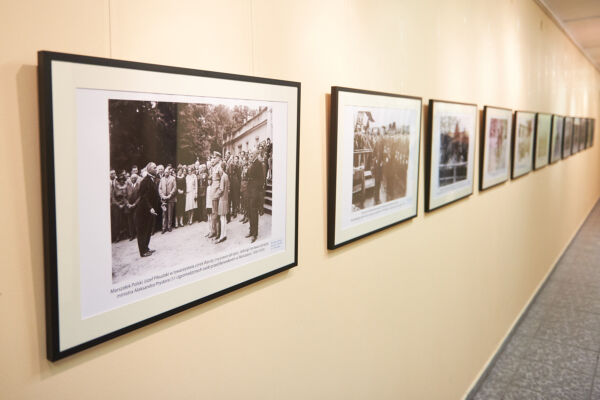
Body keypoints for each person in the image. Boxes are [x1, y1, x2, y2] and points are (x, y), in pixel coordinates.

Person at [135, 162, 160, 257]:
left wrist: (160, 203)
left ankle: (146, 248)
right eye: (154, 168)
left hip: (150, 210)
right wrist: (150, 208)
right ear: (149, 170)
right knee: (143, 231)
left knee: (148, 230)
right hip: (143, 211)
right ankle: (143, 251)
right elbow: (143, 197)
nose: (156, 169)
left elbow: (154, 195)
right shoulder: (145, 181)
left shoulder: (153, 179)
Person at [246, 151, 264, 243]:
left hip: (255, 191)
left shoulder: (259, 164)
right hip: (250, 190)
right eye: (250, 155)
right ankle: (251, 230)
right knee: (249, 212)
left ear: (256, 155)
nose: (250, 156)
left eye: (252, 154)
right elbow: (248, 176)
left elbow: (261, 179)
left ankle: (255, 234)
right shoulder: (252, 163)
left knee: (254, 213)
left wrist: (257, 191)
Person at [214, 161, 230, 243]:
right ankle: (224, 234)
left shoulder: (223, 177)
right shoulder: (226, 176)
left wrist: (215, 195)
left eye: (220, 167)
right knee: (224, 218)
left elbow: (221, 189)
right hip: (226, 198)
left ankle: (222, 236)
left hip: (222, 199)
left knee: (222, 218)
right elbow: (228, 187)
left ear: (222, 168)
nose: (219, 169)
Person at [111, 171, 128, 242]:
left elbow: (126, 196)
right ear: (118, 180)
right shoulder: (115, 187)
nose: (121, 181)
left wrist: (124, 204)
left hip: (124, 205)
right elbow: (113, 197)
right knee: (117, 221)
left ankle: (126, 234)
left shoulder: (126, 187)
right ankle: (117, 236)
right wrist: (118, 204)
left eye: (123, 180)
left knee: (125, 219)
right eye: (120, 180)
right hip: (117, 206)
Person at [159, 166, 177, 233]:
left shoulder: (173, 178)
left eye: (167, 172)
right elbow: (159, 188)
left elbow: (175, 187)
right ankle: (164, 227)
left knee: (170, 213)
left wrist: (170, 195)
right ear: (164, 172)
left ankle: (169, 227)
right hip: (164, 199)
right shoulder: (162, 179)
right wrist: (162, 196)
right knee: (164, 214)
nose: (166, 173)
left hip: (170, 199)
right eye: (165, 172)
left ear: (169, 172)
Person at [209, 152, 223, 239]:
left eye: (215, 157)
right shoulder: (214, 168)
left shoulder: (220, 168)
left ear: (218, 158)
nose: (213, 159)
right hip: (213, 192)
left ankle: (218, 232)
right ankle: (213, 231)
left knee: (216, 213)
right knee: (213, 213)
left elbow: (222, 181)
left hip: (216, 193)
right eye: (213, 157)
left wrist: (219, 192)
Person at [125, 173, 141, 241]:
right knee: (130, 221)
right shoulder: (127, 186)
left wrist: (135, 204)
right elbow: (124, 196)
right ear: (130, 179)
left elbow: (140, 196)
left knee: (136, 220)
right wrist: (128, 204)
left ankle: (138, 234)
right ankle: (132, 235)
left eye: (134, 178)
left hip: (136, 206)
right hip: (128, 207)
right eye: (132, 178)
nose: (133, 179)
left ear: (137, 179)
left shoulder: (139, 185)